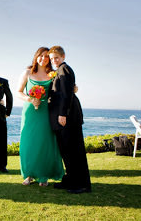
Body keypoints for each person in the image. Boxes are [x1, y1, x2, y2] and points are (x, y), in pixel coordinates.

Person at [16, 47, 64, 187]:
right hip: (30, 112)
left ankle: (44, 175)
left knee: (44, 143)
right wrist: (30, 99)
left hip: (45, 112)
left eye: (46, 56)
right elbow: (18, 92)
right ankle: (29, 174)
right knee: (29, 142)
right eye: (41, 56)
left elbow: (61, 89)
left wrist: (73, 87)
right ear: (36, 57)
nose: (43, 59)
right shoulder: (27, 72)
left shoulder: (52, 74)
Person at [48, 46, 91, 194]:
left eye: (56, 58)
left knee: (74, 151)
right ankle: (70, 180)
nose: (54, 60)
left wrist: (63, 114)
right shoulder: (59, 70)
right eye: (52, 58)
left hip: (68, 116)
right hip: (63, 116)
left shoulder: (64, 69)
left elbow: (66, 94)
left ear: (63, 56)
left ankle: (82, 185)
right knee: (66, 151)